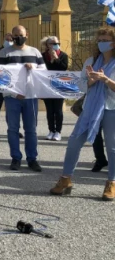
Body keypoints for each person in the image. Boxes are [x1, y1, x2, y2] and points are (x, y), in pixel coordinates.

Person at [50, 27, 115, 200]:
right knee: (74, 142)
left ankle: (111, 182)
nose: (101, 43)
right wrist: (90, 82)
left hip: (111, 108)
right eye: (99, 40)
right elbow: (80, 85)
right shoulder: (91, 61)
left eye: (105, 40)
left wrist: (105, 80)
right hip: (90, 108)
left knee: (112, 147)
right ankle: (65, 179)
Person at [0, 25, 44, 172]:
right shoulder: (4, 53)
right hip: (12, 97)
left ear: (27, 35)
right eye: (15, 35)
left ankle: (32, 159)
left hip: (31, 96)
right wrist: (13, 93)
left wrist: (33, 69)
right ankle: (15, 158)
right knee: (13, 129)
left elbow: (44, 72)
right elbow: (0, 76)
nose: (18, 38)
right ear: (12, 36)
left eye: (21, 35)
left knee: (31, 130)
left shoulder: (35, 52)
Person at [41, 35, 69, 141]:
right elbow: (43, 69)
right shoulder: (43, 56)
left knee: (58, 110)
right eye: (53, 43)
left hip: (59, 86)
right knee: (50, 110)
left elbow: (63, 68)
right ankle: (51, 130)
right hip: (47, 86)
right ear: (47, 45)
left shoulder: (63, 55)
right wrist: (51, 60)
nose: (55, 45)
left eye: (57, 43)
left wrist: (56, 59)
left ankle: (58, 131)